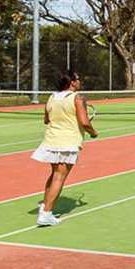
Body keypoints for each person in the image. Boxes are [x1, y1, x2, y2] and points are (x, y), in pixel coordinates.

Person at [31, 71, 98, 226]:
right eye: (78, 79)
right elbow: (85, 123)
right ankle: (46, 214)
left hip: (51, 140)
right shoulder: (78, 98)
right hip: (67, 142)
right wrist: (93, 133)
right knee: (60, 177)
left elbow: (47, 120)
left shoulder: (52, 97)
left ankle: (45, 207)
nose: (80, 82)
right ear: (73, 83)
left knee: (54, 174)